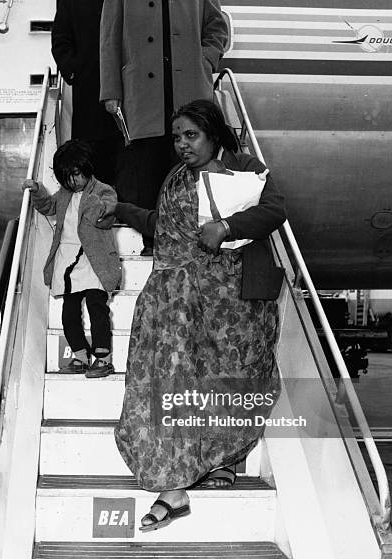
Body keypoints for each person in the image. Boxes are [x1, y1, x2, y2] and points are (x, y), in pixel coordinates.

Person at [101, 100, 285, 530]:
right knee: (172, 384)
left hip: (233, 303)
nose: (182, 145)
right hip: (180, 301)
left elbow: (275, 210)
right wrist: (123, 211)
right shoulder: (177, 177)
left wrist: (227, 227)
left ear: (213, 133)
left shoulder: (243, 165)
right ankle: (174, 485)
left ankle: (224, 462)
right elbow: (165, 226)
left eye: (191, 135)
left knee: (230, 377)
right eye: (177, 137)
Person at [99, 0, 228, 254]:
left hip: (189, 88)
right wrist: (111, 90)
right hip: (142, 92)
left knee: (192, 172)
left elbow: (217, 25)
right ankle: (153, 244)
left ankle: (192, 243)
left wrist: (206, 59)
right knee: (146, 171)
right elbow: (109, 37)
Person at [23, 140, 121, 378]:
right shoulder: (64, 194)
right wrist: (38, 190)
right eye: (66, 177)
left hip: (94, 262)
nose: (72, 182)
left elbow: (107, 212)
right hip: (68, 261)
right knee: (69, 312)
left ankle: (103, 358)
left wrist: (90, 198)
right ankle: (79, 356)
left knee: (97, 309)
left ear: (87, 169)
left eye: (76, 175)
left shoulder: (103, 191)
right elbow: (47, 207)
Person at [51, 0, 123, 186]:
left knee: (128, 162)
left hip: (128, 90)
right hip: (89, 92)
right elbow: (60, 39)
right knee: (91, 160)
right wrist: (76, 71)